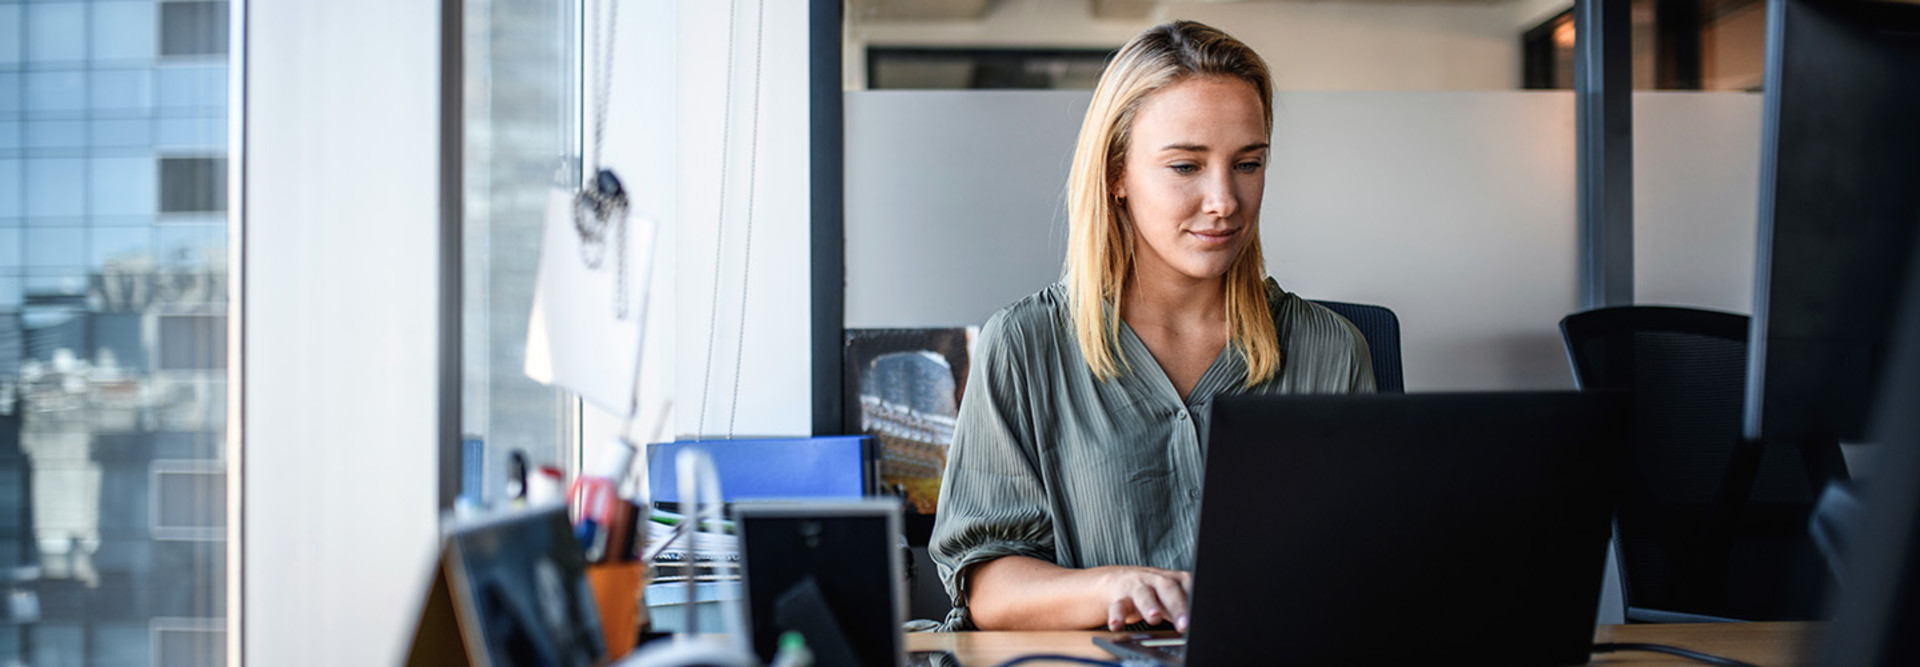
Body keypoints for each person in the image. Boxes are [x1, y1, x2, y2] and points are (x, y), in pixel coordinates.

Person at [928, 20, 1375, 633]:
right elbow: (988, 586)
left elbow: (1370, 565)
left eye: (1247, 163)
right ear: (1117, 173)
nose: (1225, 200)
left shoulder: (1331, 350)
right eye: (1186, 167)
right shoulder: (1025, 345)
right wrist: (1119, 586)